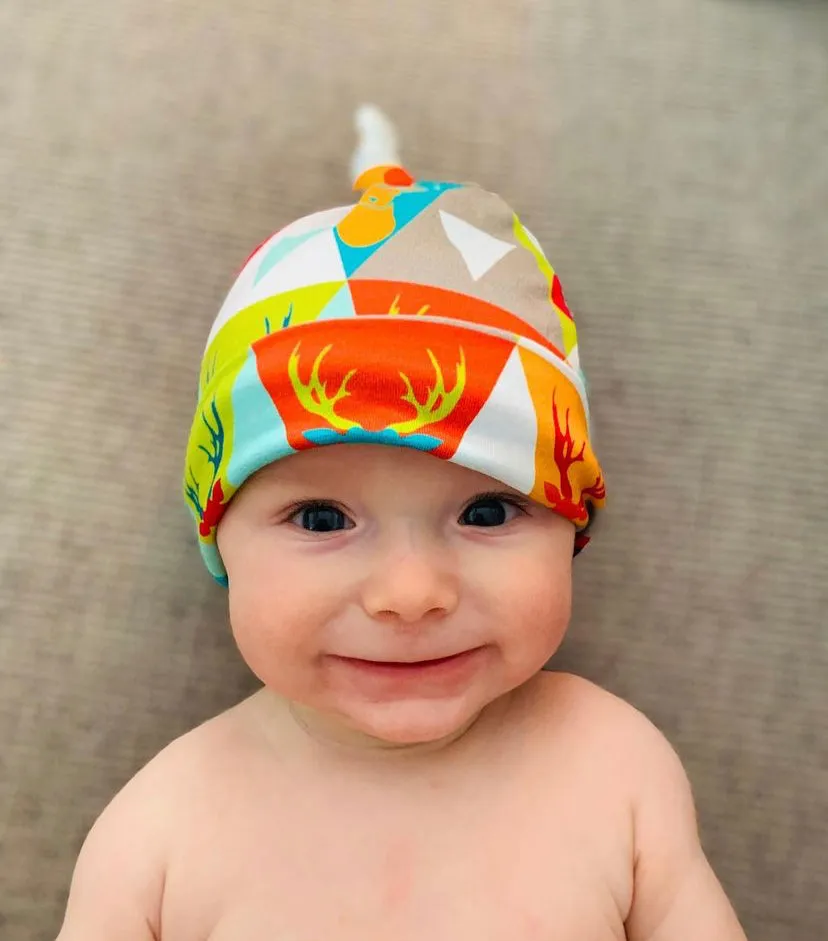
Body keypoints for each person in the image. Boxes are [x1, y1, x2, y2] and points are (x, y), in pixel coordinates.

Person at [56, 107, 747, 940]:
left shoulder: (615, 768)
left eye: (487, 509)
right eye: (320, 516)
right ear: (219, 544)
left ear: (573, 525)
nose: (410, 592)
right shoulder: (158, 833)